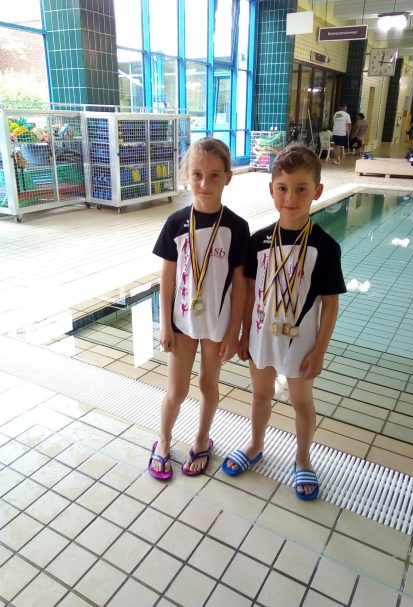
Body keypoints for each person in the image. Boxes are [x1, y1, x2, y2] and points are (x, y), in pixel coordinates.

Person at [222, 144, 346, 501]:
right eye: (283, 188)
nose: (291, 198)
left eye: (301, 189)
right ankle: (255, 445)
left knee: (301, 402)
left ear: (317, 191)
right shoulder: (258, 240)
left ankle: (303, 458)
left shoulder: (325, 247)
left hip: (301, 342)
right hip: (261, 336)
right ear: (271, 190)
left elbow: (330, 305)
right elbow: (248, 291)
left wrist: (320, 351)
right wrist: (244, 334)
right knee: (260, 395)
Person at [149, 138, 249, 481]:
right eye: (197, 174)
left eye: (214, 175)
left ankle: (202, 439)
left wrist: (234, 332)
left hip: (216, 325)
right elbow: (166, 278)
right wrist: (165, 324)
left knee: (208, 384)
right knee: (177, 391)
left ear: (228, 178)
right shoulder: (176, 222)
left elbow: (241, 286)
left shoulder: (237, 227)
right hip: (181, 322)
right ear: (186, 176)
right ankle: (163, 441)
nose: (205, 183)